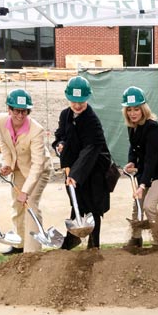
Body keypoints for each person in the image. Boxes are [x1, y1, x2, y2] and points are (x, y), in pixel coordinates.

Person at [52, 76, 112, 250]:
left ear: (87, 98)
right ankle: (71, 241)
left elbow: (91, 149)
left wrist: (75, 174)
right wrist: (59, 146)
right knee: (77, 204)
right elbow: (60, 136)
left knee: (93, 208)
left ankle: (94, 246)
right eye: (74, 101)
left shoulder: (91, 120)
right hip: (74, 169)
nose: (77, 105)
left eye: (81, 102)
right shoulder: (65, 115)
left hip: (94, 170)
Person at [0, 89, 53, 254]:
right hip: (19, 168)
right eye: (16, 111)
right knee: (17, 204)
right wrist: (7, 163)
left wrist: (26, 191)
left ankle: (32, 252)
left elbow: (37, 165)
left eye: (24, 111)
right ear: (9, 109)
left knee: (30, 205)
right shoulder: (1, 121)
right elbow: (4, 142)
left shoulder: (36, 130)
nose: (20, 115)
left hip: (39, 170)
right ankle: (19, 245)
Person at [122, 86, 158, 251]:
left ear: (143, 109)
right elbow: (134, 148)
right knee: (138, 203)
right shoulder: (132, 126)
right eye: (129, 109)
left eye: (136, 109)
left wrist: (143, 185)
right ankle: (136, 238)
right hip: (146, 170)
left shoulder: (152, 127)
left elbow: (152, 158)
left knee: (149, 205)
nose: (133, 113)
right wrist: (131, 161)